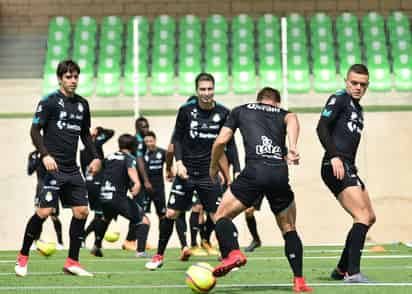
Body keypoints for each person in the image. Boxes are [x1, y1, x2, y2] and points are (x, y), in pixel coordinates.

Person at [209, 87, 312, 292]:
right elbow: (293, 119)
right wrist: (292, 146)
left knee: (221, 216)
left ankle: (233, 253)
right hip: (279, 173)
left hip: (254, 172)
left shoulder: (240, 110)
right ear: (277, 102)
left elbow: (221, 141)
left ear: (258, 100)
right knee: (289, 229)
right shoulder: (284, 113)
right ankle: (299, 280)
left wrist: (213, 168)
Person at [15, 59, 101, 277]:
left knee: (82, 212)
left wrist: (95, 157)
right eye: (68, 77)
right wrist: (45, 155)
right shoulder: (50, 102)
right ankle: (23, 256)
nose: (73, 81)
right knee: (43, 212)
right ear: (60, 79)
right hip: (53, 168)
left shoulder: (82, 104)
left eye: (75, 77)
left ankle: (72, 261)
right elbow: (35, 131)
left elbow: (85, 135)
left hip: (72, 169)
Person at [145, 73, 234, 270]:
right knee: (171, 213)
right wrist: (178, 162)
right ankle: (158, 256)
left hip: (208, 174)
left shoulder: (223, 113)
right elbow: (176, 139)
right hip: (186, 173)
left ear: (214, 89)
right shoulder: (185, 111)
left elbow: (226, 147)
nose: (206, 93)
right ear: (196, 91)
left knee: (218, 216)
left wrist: (229, 175)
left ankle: (227, 255)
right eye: (202, 89)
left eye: (210, 89)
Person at [316, 64, 376, 283]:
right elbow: (322, 127)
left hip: (349, 165)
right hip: (334, 164)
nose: (358, 87)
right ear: (346, 81)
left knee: (369, 217)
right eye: (354, 83)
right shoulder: (339, 99)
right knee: (360, 216)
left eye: (363, 84)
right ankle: (353, 272)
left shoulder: (357, 108)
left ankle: (341, 269)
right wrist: (334, 156)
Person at [90, 134, 143, 258]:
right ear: (132, 146)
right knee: (142, 220)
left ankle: (96, 245)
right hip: (117, 197)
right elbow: (131, 170)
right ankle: (140, 250)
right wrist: (137, 182)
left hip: (104, 195)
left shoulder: (109, 157)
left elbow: (96, 170)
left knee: (106, 218)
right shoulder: (129, 157)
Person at [122, 117, 152, 255]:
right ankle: (130, 240)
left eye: (147, 126)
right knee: (138, 211)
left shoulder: (145, 141)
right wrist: (144, 180)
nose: (145, 129)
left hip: (141, 181)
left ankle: (138, 239)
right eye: (142, 127)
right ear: (137, 128)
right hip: (137, 181)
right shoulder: (137, 142)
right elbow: (139, 161)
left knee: (141, 210)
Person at [81, 126, 114, 246]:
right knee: (101, 214)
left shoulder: (82, 149)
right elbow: (111, 132)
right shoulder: (95, 145)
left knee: (98, 214)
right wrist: (99, 130)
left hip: (90, 184)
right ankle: (86, 237)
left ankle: (96, 242)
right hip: (97, 184)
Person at [27, 151, 64, 250]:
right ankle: (36, 241)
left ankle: (60, 243)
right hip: (40, 188)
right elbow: (29, 171)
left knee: (54, 216)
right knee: (38, 215)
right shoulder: (33, 155)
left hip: (52, 187)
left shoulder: (53, 153)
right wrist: (38, 158)